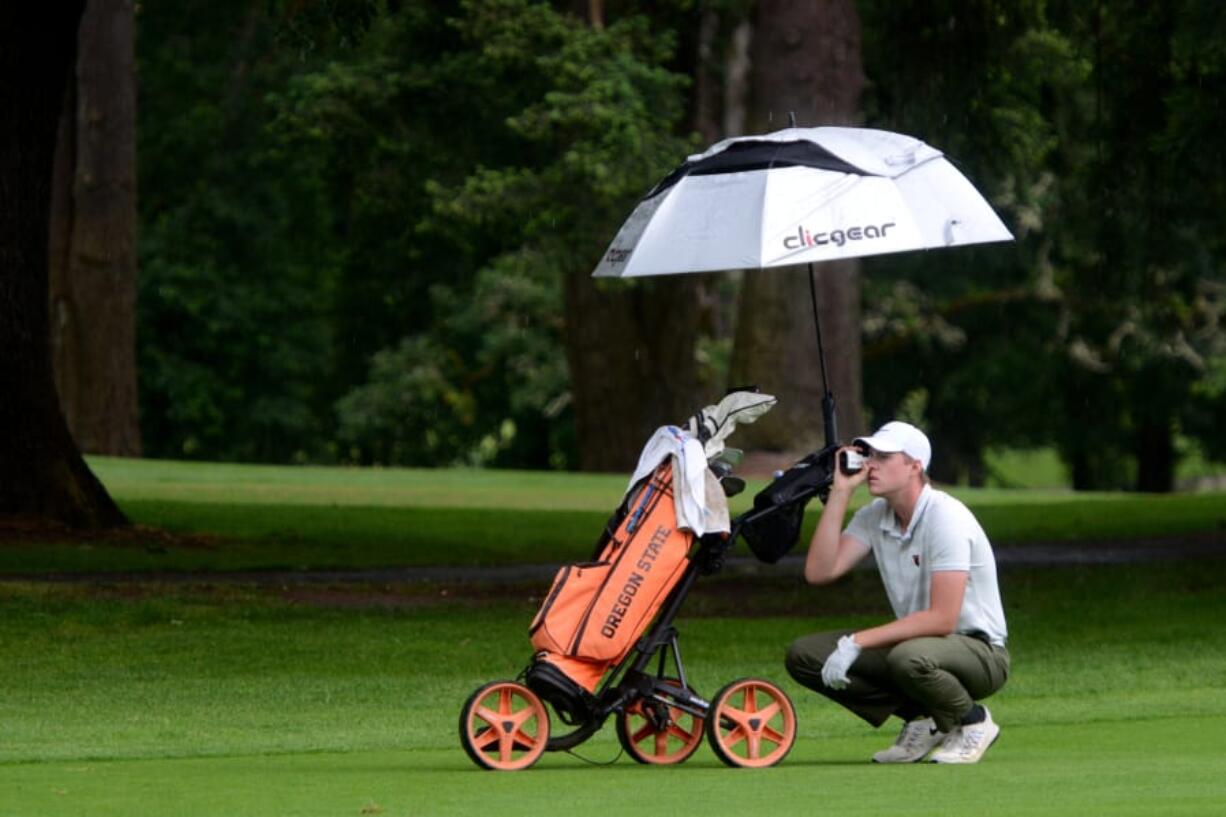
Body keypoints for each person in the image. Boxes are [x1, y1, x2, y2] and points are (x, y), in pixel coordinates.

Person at [784, 421, 1010, 764]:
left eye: (884, 456)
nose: (871, 463)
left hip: (980, 653)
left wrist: (858, 641)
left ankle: (973, 721)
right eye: (870, 454)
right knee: (806, 655)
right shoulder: (875, 516)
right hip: (920, 647)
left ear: (915, 466)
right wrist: (841, 493)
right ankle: (925, 720)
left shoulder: (946, 517)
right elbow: (820, 571)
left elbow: (942, 618)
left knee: (907, 658)